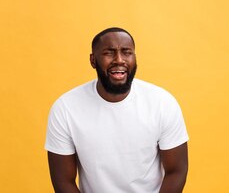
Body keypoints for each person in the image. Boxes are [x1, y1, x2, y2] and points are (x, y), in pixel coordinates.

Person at [45, 27, 189, 193]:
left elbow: (176, 171)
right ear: (93, 60)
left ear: (135, 57)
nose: (119, 60)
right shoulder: (65, 109)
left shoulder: (162, 103)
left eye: (127, 52)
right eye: (109, 52)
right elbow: (63, 181)